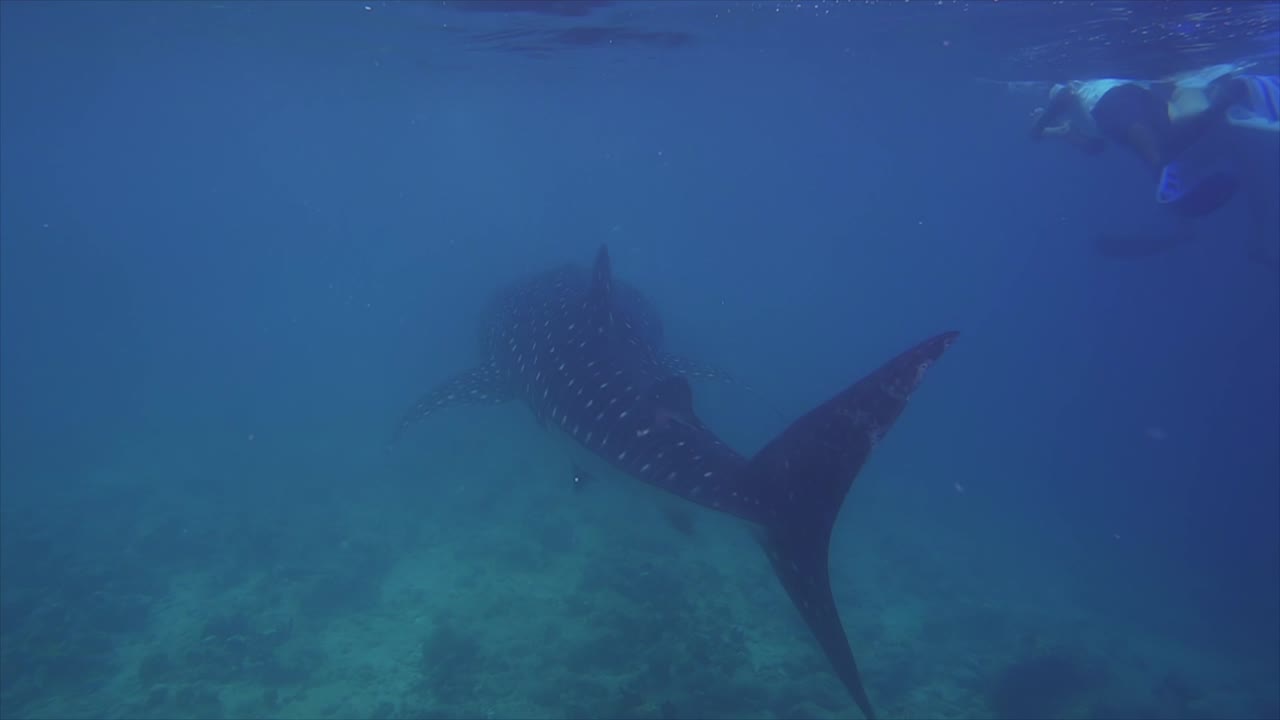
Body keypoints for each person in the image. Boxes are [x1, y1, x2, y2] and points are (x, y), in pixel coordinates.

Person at [1029, 66, 1251, 217]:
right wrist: (1059, 133)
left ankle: (1220, 101)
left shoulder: (1059, 90)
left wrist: (1040, 126)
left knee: (1158, 148)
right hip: (1135, 98)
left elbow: (1065, 95)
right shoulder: (1072, 115)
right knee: (1180, 128)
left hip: (1110, 100)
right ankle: (1218, 95)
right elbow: (1096, 147)